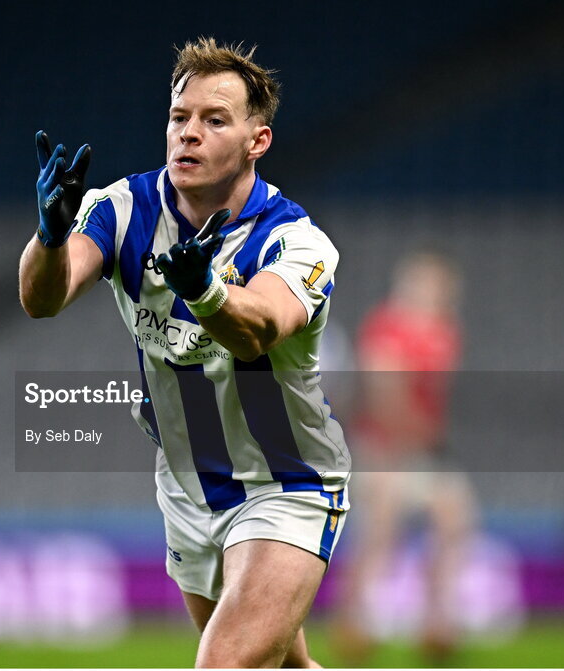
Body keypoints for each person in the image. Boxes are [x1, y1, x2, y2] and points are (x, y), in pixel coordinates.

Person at [19, 37, 350, 668]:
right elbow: (44, 298)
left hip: (287, 484)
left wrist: (203, 289)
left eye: (214, 120)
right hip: (189, 486)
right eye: (179, 117)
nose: (189, 134)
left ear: (259, 141)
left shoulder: (298, 241)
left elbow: (259, 327)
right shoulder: (123, 208)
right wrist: (49, 238)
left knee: (221, 663)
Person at [334, 248, 475, 664]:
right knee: (379, 534)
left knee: (453, 521)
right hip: (386, 447)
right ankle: (355, 626)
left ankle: (437, 624)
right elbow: (383, 391)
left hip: (424, 449)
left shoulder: (445, 331)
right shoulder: (388, 328)